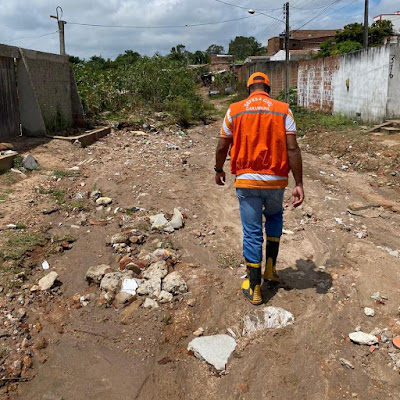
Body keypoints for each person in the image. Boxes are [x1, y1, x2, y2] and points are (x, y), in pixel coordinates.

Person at [214, 72, 304, 305]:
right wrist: (299, 183)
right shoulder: (283, 110)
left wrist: (218, 169)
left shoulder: (234, 110)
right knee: (274, 217)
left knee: (252, 233)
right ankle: (271, 269)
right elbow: (292, 149)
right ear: (268, 89)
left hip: (247, 182)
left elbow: (222, 145)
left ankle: (254, 287)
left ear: (248, 90)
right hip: (276, 181)